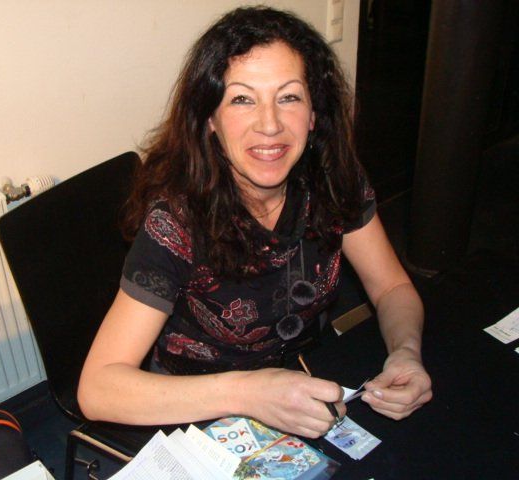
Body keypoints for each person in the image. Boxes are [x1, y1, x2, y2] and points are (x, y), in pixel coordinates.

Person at [77, 6, 432, 439]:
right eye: (242, 99)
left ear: (313, 114)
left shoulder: (333, 179)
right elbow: (97, 390)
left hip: (300, 379)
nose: (270, 125)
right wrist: (249, 393)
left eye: (289, 97)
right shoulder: (177, 221)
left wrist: (405, 352)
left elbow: (391, 287)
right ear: (210, 118)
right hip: (196, 407)